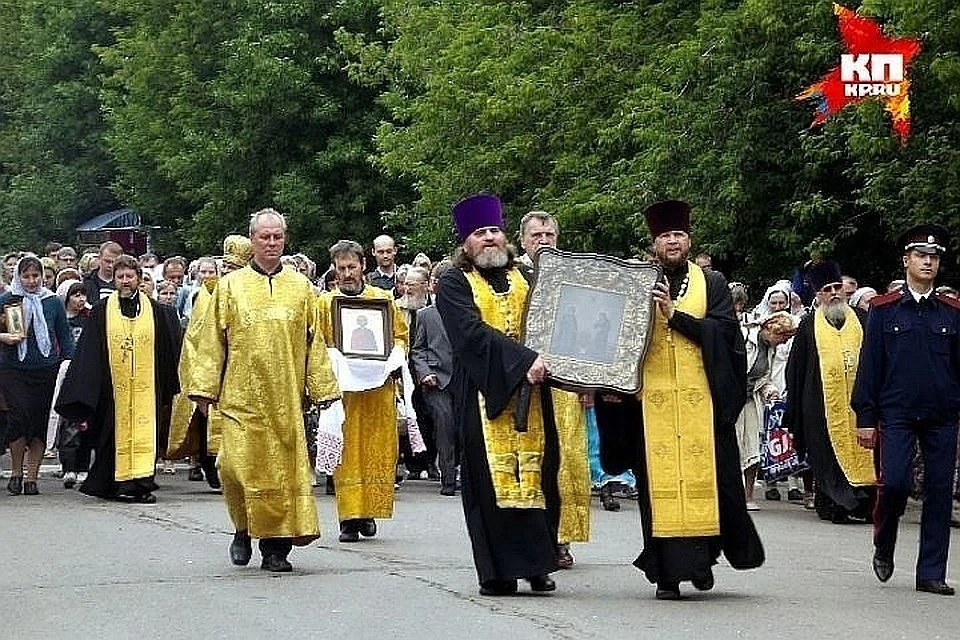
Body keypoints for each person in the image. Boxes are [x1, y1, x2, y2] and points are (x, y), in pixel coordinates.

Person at [595, 200, 764, 600]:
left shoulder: (712, 283)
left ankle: (701, 562)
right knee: (658, 487)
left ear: (688, 241)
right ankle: (667, 576)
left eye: (679, 235)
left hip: (701, 405)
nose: (673, 241)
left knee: (710, 484)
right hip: (648, 406)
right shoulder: (637, 281)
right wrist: (612, 387)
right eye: (665, 236)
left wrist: (676, 317)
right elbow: (615, 338)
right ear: (654, 242)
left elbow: (726, 338)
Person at [188, 209, 340, 572]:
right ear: (252, 240)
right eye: (264, 237)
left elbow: (313, 340)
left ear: (284, 240)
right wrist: (205, 391)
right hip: (240, 396)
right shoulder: (230, 287)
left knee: (281, 474)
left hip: (286, 399)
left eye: (277, 237)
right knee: (234, 467)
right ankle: (242, 527)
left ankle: (275, 548)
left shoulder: (301, 287)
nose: (271, 244)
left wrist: (322, 389)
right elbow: (212, 342)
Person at [436, 193, 559, 596]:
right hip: (482, 392)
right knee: (491, 485)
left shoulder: (526, 275)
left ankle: (539, 564)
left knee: (539, 476)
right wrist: (523, 359)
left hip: (534, 391)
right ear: (465, 243)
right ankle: (499, 571)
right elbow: (470, 334)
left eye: (494, 230)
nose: (489, 238)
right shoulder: (454, 282)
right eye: (479, 233)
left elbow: (553, 322)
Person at [852, 224, 960, 596]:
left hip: (941, 414)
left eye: (934, 258)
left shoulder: (952, 312)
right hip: (895, 411)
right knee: (895, 482)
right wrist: (865, 417)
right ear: (906, 261)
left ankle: (931, 571)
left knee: (940, 491)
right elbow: (870, 367)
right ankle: (885, 539)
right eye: (921, 256)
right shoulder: (884, 310)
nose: (928, 262)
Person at [55, 255, 181, 503]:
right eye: (120, 277)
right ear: (114, 280)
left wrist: (165, 384)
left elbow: (166, 350)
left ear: (138, 279)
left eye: (130, 277)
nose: (125, 281)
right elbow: (90, 350)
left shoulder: (155, 311)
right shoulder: (102, 310)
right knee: (111, 436)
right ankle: (115, 484)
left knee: (146, 434)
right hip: (112, 388)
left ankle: (142, 485)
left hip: (146, 387)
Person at [317, 240, 408, 543]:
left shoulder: (382, 300)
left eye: (351, 267)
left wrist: (394, 356)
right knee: (346, 451)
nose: (347, 273)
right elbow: (318, 342)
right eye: (341, 268)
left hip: (378, 390)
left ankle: (369, 511)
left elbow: (400, 336)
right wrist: (333, 360)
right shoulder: (325, 304)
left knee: (377, 449)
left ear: (362, 267)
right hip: (344, 393)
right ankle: (348, 516)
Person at [517, 209, 591, 569]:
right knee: (529, 461)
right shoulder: (511, 277)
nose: (544, 242)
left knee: (566, 461)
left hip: (564, 383)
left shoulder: (573, 276)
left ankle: (561, 538)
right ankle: (529, 538)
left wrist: (589, 382)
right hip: (523, 383)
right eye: (536, 236)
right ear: (523, 241)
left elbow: (585, 334)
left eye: (549, 236)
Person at [783, 260, 875, 523]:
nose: (834, 293)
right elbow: (796, 369)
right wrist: (796, 408)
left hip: (860, 406)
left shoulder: (865, 319)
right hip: (821, 405)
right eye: (827, 289)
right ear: (818, 294)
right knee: (827, 455)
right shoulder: (809, 325)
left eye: (837, 287)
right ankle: (835, 505)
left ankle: (864, 505)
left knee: (863, 452)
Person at [0, 255, 74, 495]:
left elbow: (64, 336)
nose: (31, 281)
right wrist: (5, 337)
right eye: (26, 276)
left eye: (35, 276)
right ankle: (16, 472)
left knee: (41, 421)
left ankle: (32, 476)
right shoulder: (7, 299)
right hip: (14, 368)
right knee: (19, 418)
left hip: (46, 369)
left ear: (43, 276)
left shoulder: (52, 302)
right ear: (18, 277)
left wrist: (68, 366)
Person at [737, 311, 796, 510]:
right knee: (733, 447)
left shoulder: (770, 348)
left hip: (750, 400)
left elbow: (764, 378)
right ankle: (730, 495)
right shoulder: (744, 337)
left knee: (754, 448)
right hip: (731, 400)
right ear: (771, 329)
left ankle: (747, 496)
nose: (782, 342)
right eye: (782, 337)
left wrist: (771, 391)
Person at [410, 259, 458, 495]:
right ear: (434, 285)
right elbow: (417, 349)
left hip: (465, 380)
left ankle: (468, 478)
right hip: (437, 381)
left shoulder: (469, 310)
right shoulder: (425, 315)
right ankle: (448, 480)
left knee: (466, 430)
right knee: (445, 426)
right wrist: (425, 372)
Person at [55, 280, 92, 488]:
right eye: (75, 295)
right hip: (63, 372)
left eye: (83, 295)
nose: (80, 300)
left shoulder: (89, 318)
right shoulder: (60, 319)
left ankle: (83, 466)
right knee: (67, 422)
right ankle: (68, 466)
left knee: (84, 421)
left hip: (85, 372)